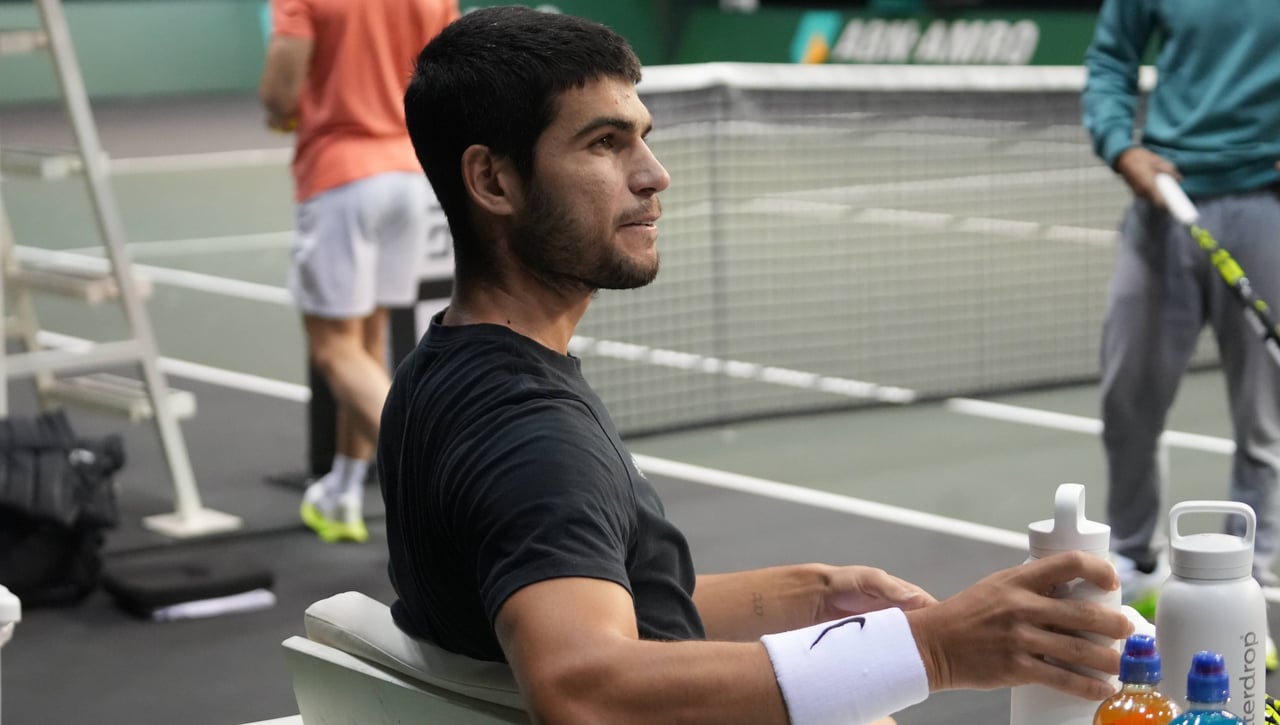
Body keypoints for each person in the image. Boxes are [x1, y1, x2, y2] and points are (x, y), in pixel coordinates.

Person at [380, 7, 1134, 724]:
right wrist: (934, 649)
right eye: (605, 143)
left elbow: (602, 598)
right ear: (494, 181)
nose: (654, 174)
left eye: (643, 138)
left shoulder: (438, 372)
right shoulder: (531, 435)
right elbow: (586, 688)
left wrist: (810, 591)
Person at [1081, 0, 1280, 610]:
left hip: (1267, 201)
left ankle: (1247, 584)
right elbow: (1110, 59)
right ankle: (1134, 561)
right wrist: (1121, 147)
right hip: (1163, 198)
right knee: (1128, 398)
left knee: (1265, 420)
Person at [258, 0, 458, 543]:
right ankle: (342, 494)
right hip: (412, 178)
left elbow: (280, 93)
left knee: (334, 348)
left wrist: (284, 110)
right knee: (367, 345)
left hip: (341, 178)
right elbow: (448, 69)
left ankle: (442, 478)